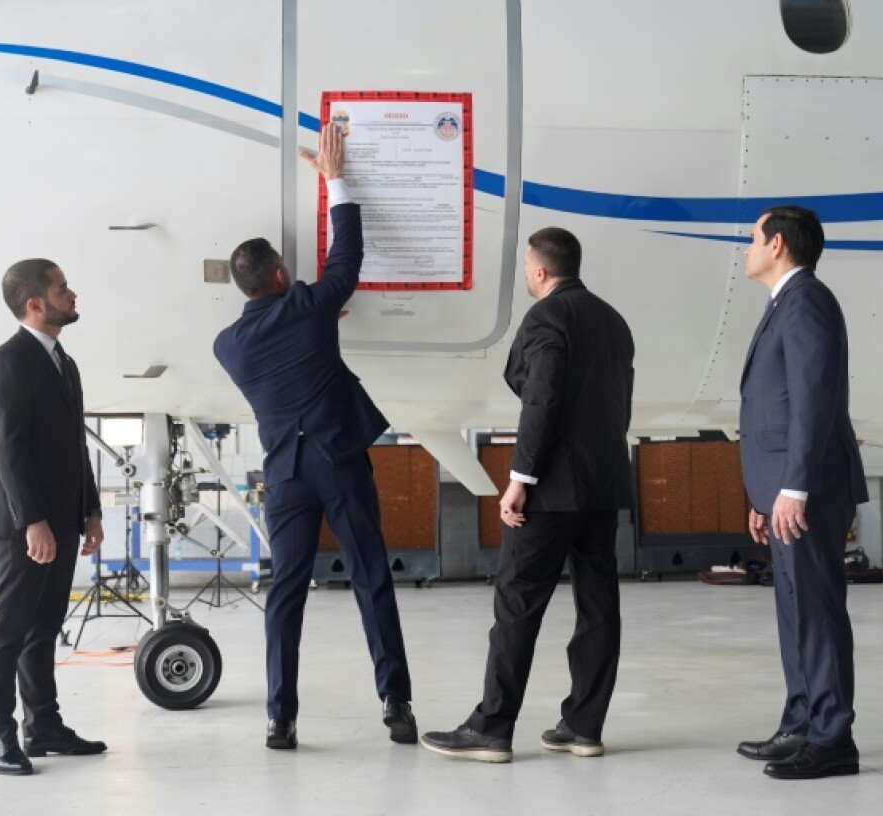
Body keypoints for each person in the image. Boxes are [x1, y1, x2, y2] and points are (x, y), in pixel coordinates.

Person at [213, 123, 416, 750]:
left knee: (286, 595)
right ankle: (396, 705)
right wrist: (335, 177)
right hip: (338, 458)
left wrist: (316, 311)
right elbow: (346, 255)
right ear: (278, 273)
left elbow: (289, 331)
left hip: (285, 476)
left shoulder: (228, 346)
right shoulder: (307, 305)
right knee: (369, 577)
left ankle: (281, 718)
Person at [421, 227, 634, 763]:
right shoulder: (613, 321)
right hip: (604, 483)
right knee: (598, 607)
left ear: (539, 271)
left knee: (517, 603)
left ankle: (491, 728)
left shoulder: (545, 318)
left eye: (525, 267)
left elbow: (539, 399)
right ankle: (584, 726)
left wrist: (521, 479)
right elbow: (614, 402)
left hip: (553, 487)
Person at [736, 205, 868, 780]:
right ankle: (800, 723)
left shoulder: (807, 300)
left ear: (779, 244)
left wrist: (794, 487)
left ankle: (833, 738)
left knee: (816, 610)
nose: (747, 248)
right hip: (785, 490)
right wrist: (766, 494)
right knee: (795, 610)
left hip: (807, 489)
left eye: (753, 239)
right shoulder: (786, 302)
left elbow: (813, 402)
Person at [0, 259, 107, 775]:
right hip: (22, 525)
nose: (71, 294)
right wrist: (33, 520)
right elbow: (7, 449)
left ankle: (44, 726)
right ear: (35, 304)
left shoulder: (65, 363)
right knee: (8, 631)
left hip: (63, 520)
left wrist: (91, 509)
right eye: (61, 288)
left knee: (45, 627)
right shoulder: (8, 363)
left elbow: (76, 445)